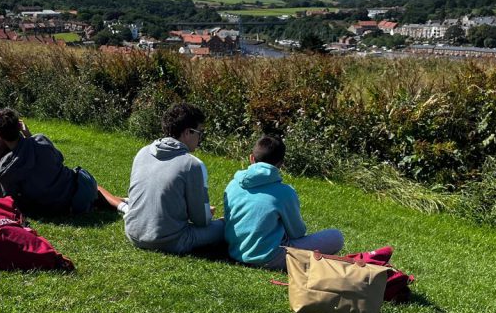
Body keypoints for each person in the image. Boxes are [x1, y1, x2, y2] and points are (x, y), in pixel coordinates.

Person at [223, 135, 344, 269]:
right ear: (281, 164)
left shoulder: (233, 184)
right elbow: (297, 233)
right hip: (270, 258)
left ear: (251, 158)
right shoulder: (285, 192)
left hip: (234, 252)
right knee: (336, 237)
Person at [124, 102, 224, 254]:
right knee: (225, 225)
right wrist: (206, 213)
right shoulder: (192, 165)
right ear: (187, 132)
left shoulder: (142, 152)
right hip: (170, 241)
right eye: (199, 133)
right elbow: (201, 220)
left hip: (133, 234)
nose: (200, 138)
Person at [0, 107, 127, 215]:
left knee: (91, 194)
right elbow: (59, 158)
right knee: (94, 188)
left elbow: (9, 198)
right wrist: (29, 135)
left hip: (58, 207)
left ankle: (123, 202)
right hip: (79, 191)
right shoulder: (40, 140)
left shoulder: (6, 167)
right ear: (19, 126)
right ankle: (122, 206)